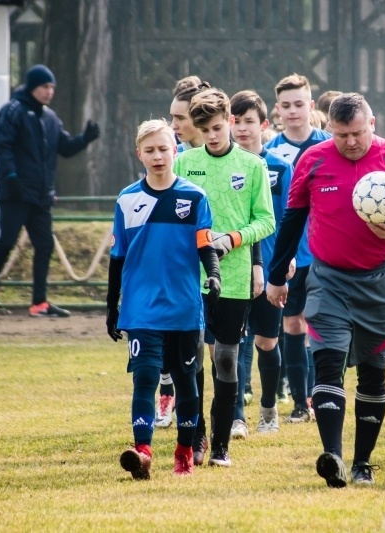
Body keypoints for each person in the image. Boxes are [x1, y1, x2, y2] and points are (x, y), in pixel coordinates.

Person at [266, 92, 385, 487]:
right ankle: (334, 458)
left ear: (372, 123)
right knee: (327, 364)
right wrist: (276, 276)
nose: (351, 142)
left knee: (374, 374)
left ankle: (362, 462)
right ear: (329, 130)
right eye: (342, 135)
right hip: (327, 279)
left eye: (358, 132)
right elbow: (291, 221)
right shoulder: (314, 160)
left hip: (379, 280)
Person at [106, 119, 221, 479]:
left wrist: (214, 273)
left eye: (164, 148)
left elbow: (205, 245)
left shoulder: (194, 197)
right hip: (141, 309)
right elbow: (117, 257)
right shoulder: (127, 200)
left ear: (176, 149)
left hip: (185, 308)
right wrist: (112, 306)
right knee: (145, 378)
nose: (158, 156)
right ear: (139, 153)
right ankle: (142, 452)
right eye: (150, 150)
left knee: (187, 382)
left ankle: (185, 452)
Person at [173, 88, 275, 467]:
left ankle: (220, 445)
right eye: (206, 130)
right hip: (191, 277)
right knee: (191, 361)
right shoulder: (184, 163)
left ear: (229, 122)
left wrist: (233, 239)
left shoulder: (252, 166)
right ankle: (195, 437)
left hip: (232, 279)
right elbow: (176, 215)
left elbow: (265, 220)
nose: (213, 135)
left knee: (228, 360)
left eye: (218, 127)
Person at [0, 64, 100, 318]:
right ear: (32, 87)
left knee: (44, 245)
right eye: (45, 86)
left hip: (41, 196)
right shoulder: (12, 110)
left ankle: (39, 302)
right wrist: (12, 177)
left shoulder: (50, 118)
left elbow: (65, 148)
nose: (49, 91)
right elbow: (2, 146)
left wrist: (85, 138)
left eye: (52, 87)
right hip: (15, 193)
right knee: (5, 243)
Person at [264, 74, 332, 424]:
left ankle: (323, 392)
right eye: (286, 105)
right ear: (278, 110)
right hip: (291, 255)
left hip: (326, 252)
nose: (293, 111)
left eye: (299, 104)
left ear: (311, 105)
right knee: (292, 324)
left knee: (322, 324)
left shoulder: (330, 145)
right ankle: (300, 404)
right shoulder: (270, 153)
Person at [229, 89, 295, 436]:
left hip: (270, 267)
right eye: (236, 122)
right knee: (234, 342)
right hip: (233, 267)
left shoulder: (280, 167)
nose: (241, 129)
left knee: (267, 341)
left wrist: (289, 257)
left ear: (263, 125)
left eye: (249, 122)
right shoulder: (222, 165)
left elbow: (289, 217)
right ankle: (237, 415)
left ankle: (268, 407)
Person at [155, 76, 214, 430]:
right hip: (174, 269)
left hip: (216, 266)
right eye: (171, 117)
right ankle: (182, 411)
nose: (173, 125)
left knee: (213, 352)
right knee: (172, 346)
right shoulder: (169, 156)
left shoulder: (222, 156)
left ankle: (218, 420)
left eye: (179, 118)